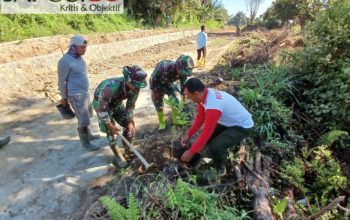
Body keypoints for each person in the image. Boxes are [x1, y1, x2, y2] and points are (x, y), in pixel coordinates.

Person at [180, 78, 254, 181]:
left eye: (188, 96)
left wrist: (191, 151)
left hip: (242, 127)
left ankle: (220, 170)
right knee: (210, 141)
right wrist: (189, 134)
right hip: (229, 121)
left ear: (196, 93)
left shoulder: (213, 106)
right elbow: (200, 117)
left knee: (215, 147)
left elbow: (206, 133)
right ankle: (219, 156)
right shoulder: (204, 95)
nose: (188, 98)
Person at [93, 65, 147, 166]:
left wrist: (130, 121)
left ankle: (128, 149)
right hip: (102, 106)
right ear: (127, 80)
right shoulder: (109, 88)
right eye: (135, 84)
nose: (137, 87)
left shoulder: (136, 87)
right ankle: (117, 154)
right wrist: (110, 125)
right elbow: (101, 109)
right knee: (111, 131)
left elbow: (131, 105)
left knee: (129, 127)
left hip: (116, 103)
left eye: (139, 85)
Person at [58, 35, 100, 151]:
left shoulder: (79, 58)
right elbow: (61, 81)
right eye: (82, 47)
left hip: (84, 92)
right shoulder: (64, 61)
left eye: (85, 47)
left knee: (87, 116)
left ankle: (89, 135)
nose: (84, 50)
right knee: (83, 119)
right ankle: (85, 143)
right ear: (73, 47)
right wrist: (64, 98)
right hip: (76, 95)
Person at [150, 55, 194, 131]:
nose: (183, 74)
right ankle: (162, 122)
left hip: (168, 83)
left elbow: (183, 89)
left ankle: (176, 119)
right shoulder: (164, 67)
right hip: (157, 82)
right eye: (182, 72)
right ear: (178, 66)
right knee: (158, 102)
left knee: (175, 99)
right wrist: (156, 92)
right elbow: (153, 81)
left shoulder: (183, 73)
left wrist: (183, 104)